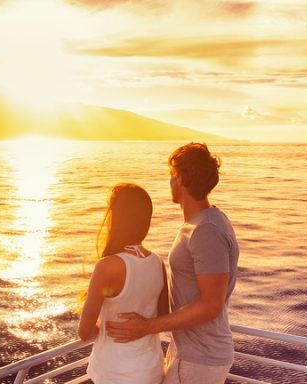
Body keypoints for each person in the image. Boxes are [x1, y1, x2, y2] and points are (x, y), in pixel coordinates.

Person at [106, 143, 240, 384]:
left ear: (180, 179)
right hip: (189, 350)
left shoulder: (205, 230)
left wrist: (147, 326)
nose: (170, 181)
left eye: (172, 174)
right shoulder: (205, 222)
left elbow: (211, 305)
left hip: (200, 357)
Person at [78, 183, 170, 384]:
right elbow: (163, 317)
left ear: (116, 218)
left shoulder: (108, 266)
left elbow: (84, 332)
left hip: (115, 373)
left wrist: (106, 329)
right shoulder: (157, 262)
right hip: (151, 370)